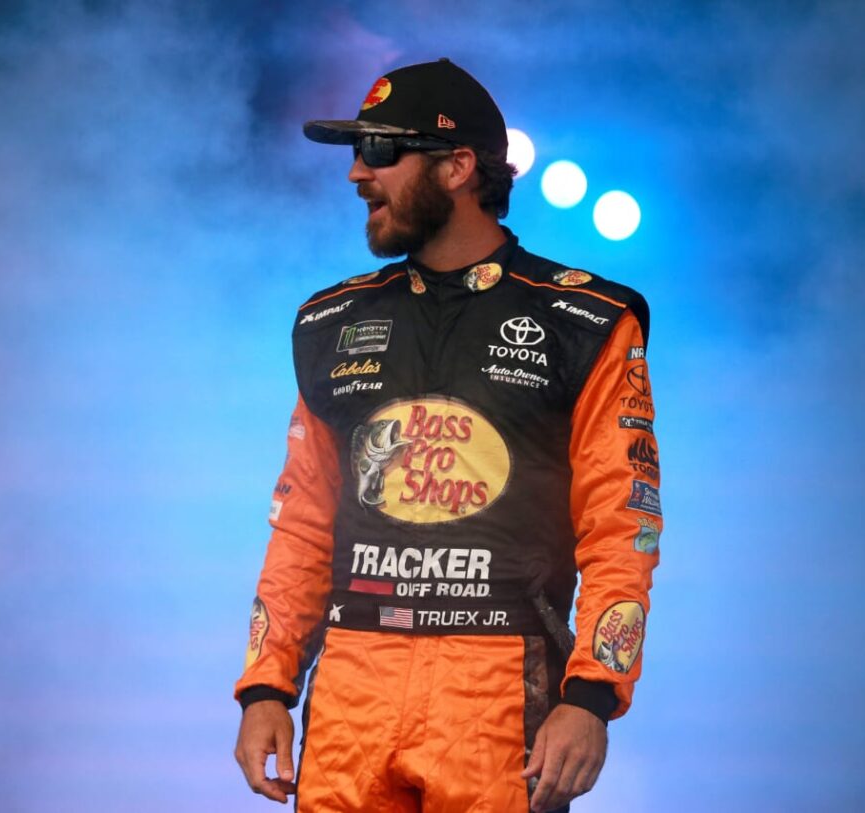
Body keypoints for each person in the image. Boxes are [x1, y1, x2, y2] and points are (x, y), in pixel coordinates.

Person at [233, 58, 661, 812]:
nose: (357, 174)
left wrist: (592, 695)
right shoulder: (331, 322)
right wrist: (267, 687)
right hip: (350, 686)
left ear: (459, 166)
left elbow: (621, 524)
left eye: (380, 151)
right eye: (355, 151)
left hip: (498, 682)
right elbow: (302, 520)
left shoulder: (587, 320)